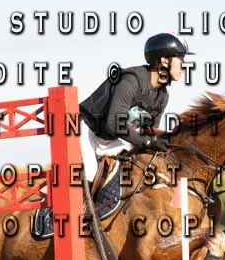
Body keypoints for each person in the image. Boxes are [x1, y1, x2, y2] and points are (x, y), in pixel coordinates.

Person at [78, 33, 194, 187]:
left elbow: (148, 131)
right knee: (91, 177)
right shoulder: (131, 81)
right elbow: (114, 123)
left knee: (135, 171)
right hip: (87, 131)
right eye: (181, 60)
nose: (184, 66)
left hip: (113, 140)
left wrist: (168, 140)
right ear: (164, 60)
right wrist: (148, 141)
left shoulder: (162, 96)